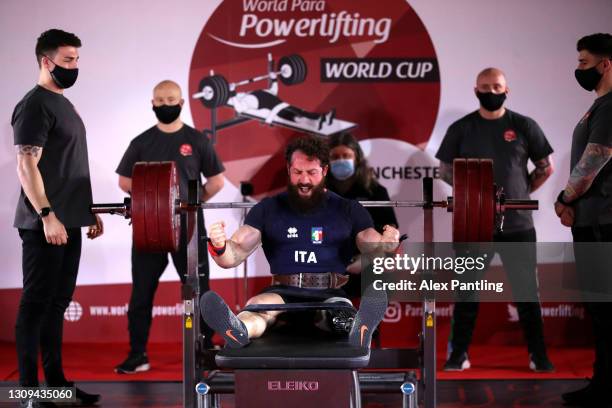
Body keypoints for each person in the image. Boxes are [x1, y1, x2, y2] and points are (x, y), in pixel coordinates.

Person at [200, 136, 397, 348]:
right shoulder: (268, 208)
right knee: (257, 308)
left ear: (324, 171)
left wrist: (386, 245)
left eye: (311, 173)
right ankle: (237, 329)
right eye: (298, 172)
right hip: (281, 292)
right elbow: (234, 253)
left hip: (329, 293)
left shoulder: (348, 209)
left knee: (337, 314)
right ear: (288, 170)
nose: (304, 180)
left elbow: (372, 245)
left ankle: (358, 329)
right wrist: (220, 246)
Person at [435, 67, 555, 372]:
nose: (492, 92)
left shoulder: (524, 125)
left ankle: (539, 357)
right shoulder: (462, 128)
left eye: (497, 86)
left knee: (528, 293)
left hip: (518, 226)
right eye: (485, 87)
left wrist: (520, 193)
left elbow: (545, 167)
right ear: (476, 91)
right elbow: (445, 171)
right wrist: (474, 196)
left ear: (507, 89)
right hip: (473, 225)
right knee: (467, 293)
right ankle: (457, 355)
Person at [12, 29, 103, 407]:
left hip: (70, 221)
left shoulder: (64, 103)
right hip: (44, 225)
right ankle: (29, 393)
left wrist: (89, 210)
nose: (75, 66)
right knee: (35, 305)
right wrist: (47, 215)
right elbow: (26, 164)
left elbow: (69, 166)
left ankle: (56, 384)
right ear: (46, 61)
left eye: (77, 59)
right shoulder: (35, 105)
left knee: (57, 305)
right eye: (68, 60)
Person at [114, 80, 225, 373]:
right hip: (149, 228)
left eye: (171, 99)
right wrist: (151, 203)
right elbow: (124, 181)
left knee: (199, 290)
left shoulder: (197, 140)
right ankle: (137, 355)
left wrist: (192, 202)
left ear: (181, 103)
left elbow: (216, 181)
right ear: (152, 104)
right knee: (141, 293)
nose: (166, 104)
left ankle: (204, 349)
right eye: (160, 100)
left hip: (188, 229)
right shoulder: (141, 142)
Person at [555, 33, 612, 407]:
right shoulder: (597, 107)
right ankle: (603, 383)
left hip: (602, 223)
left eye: (584, 63)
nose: (578, 70)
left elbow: (595, 159)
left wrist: (564, 197)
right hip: (590, 221)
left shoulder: (609, 107)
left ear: (605, 64)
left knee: (605, 309)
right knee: (599, 309)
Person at [326, 132, 398, 297]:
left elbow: (390, 230)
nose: (340, 160)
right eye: (335, 156)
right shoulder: (319, 193)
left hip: (368, 262)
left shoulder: (375, 191)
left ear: (357, 158)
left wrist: (366, 259)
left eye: (346, 155)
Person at [228, 77, 335, 130]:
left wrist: (274, 78)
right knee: (298, 116)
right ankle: (320, 120)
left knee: (300, 113)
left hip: (282, 105)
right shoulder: (246, 99)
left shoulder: (257, 92)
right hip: (277, 110)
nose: (241, 92)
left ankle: (322, 119)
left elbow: (273, 90)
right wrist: (232, 93)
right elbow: (239, 109)